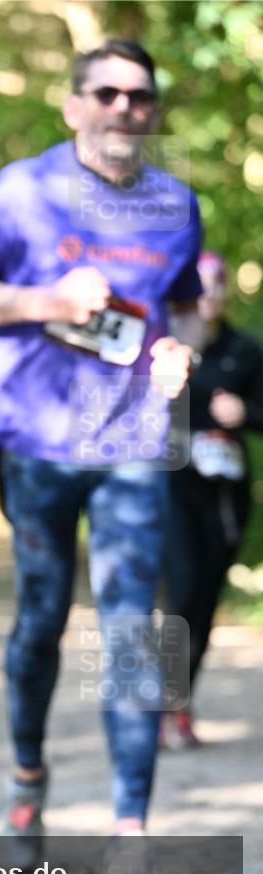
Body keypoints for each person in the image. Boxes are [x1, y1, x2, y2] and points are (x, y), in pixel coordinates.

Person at [0, 39, 206, 874]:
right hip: (36, 443)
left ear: (153, 111)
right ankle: (26, 778)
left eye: (140, 97)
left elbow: (186, 310)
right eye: (108, 93)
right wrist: (45, 300)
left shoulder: (176, 204)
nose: (125, 108)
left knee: (133, 631)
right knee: (40, 621)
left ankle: (129, 833)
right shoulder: (24, 190)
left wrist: (179, 353)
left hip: (131, 441)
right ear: (73, 105)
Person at [163, 251, 263, 748]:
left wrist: (244, 411)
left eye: (218, 285)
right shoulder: (165, 346)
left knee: (203, 603)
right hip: (174, 490)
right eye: (200, 286)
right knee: (179, 597)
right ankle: (161, 704)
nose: (210, 295)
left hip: (225, 498)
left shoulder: (245, 350)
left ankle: (178, 703)